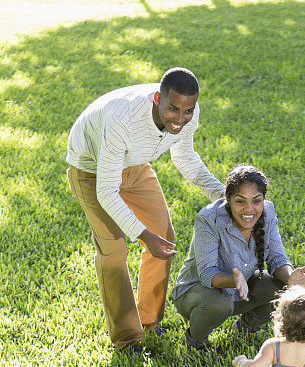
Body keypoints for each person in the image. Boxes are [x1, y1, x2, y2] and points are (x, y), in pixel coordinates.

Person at [66, 67, 224, 352]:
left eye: (187, 111)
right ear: (157, 99)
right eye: (173, 109)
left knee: (163, 237)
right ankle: (127, 338)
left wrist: (220, 193)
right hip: (90, 169)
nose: (180, 119)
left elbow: (185, 157)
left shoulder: (190, 112)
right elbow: (106, 192)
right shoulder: (122, 120)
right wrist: (141, 234)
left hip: (134, 165)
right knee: (114, 250)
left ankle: (149, 320)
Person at [171, 164, 305, 350]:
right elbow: (207, 273)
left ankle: (246, 327)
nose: (249, 209)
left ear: (263, 199)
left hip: (240, 292)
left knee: (284, 287)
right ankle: (196, 341)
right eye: (240, 201)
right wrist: (234, 280)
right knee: (219, 304)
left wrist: (290, 276)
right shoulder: (209, 218)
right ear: (228, 199)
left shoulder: (268, 212)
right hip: (197, 294)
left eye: (256, 201)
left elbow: (277, 259)